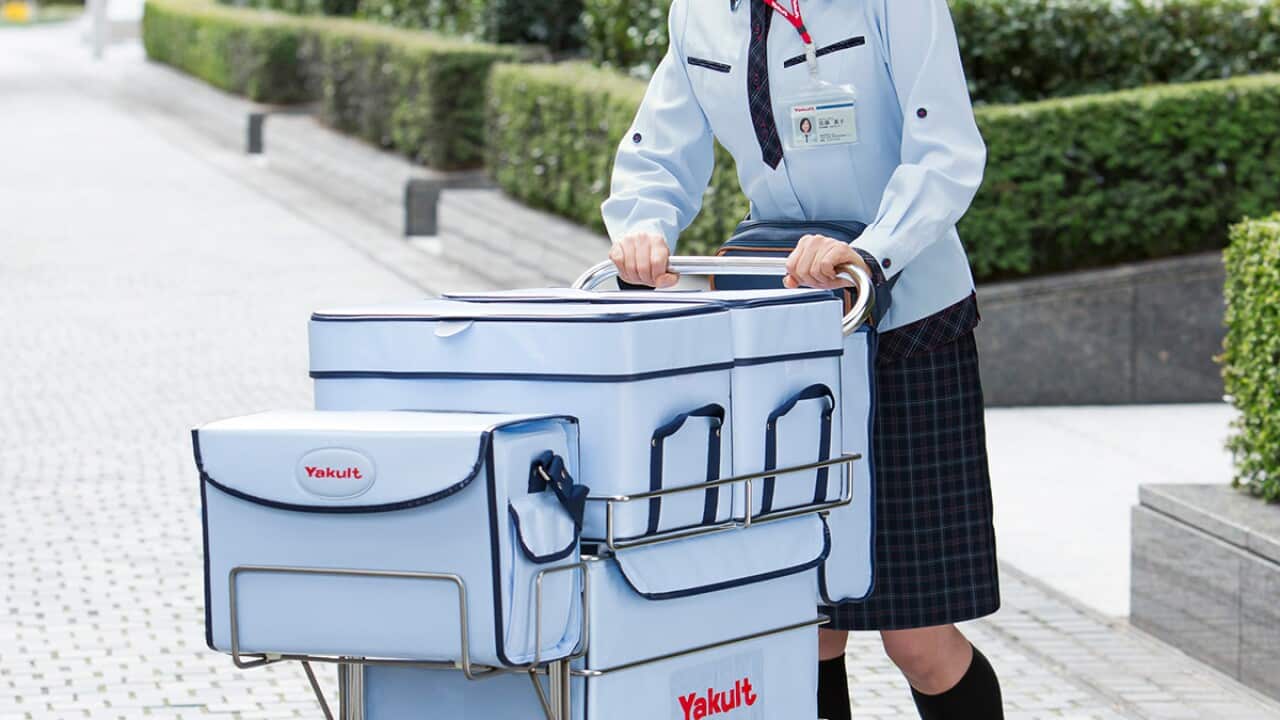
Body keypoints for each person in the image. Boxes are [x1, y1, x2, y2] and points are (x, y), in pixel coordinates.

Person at [600, 1, 1003, 718]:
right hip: (783, 333)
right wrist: (641, 226)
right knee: (803, 620)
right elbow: (660, 150)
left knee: (919, 642)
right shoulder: (697, 13)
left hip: (907, 322)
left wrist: (871, 250)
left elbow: (947, 151)